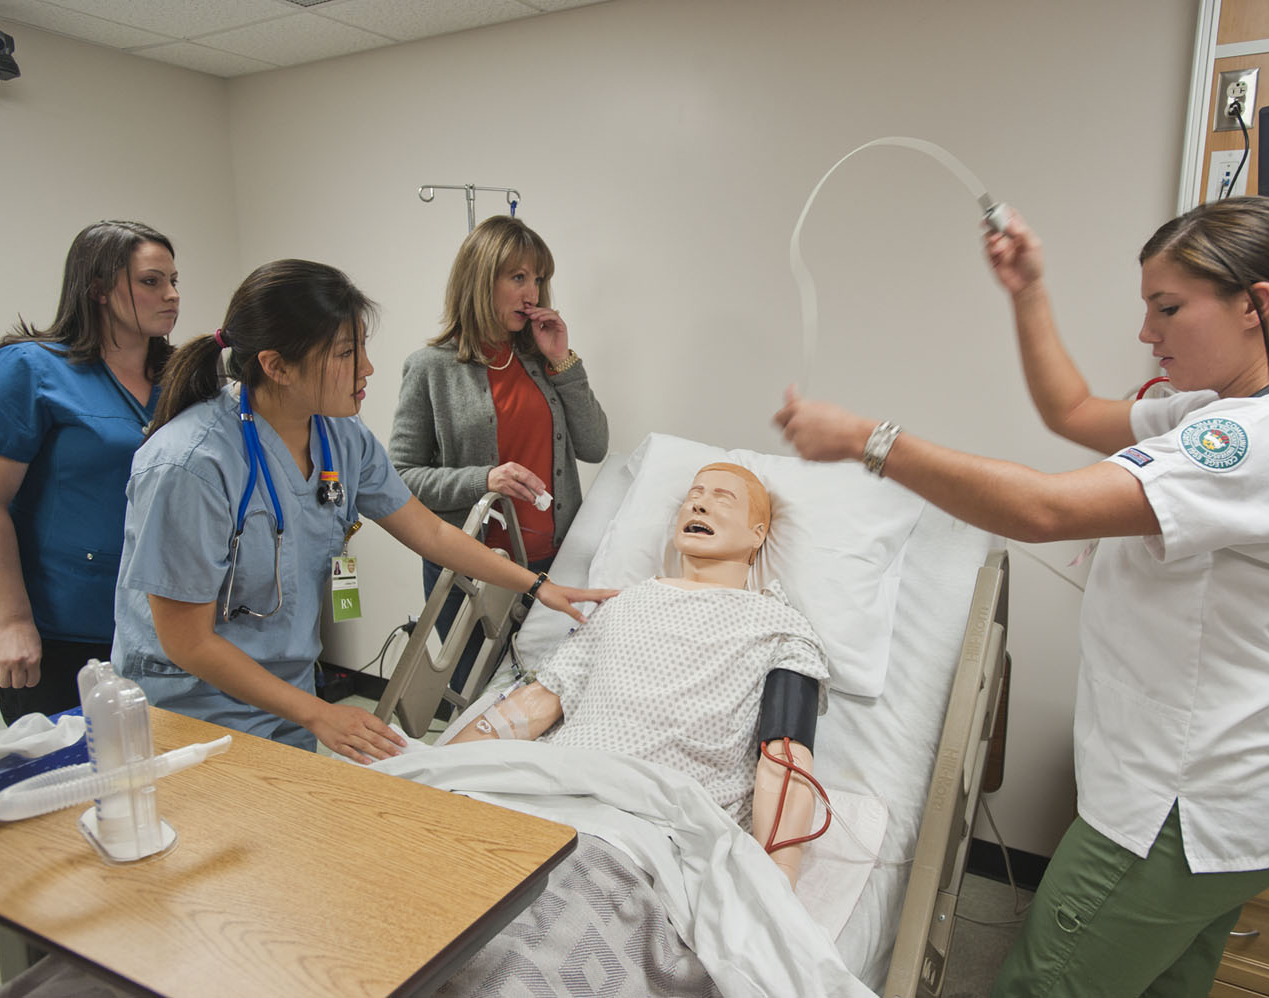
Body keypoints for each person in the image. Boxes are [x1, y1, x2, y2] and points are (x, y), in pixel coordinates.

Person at [774, 196, 1269, 995]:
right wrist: (1028, 290)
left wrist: (873, 442)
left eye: (1169, 308)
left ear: (1256, 305)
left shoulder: (1262, 438)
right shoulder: (1230, 411)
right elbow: (1070, 410)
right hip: (1233, 798)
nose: (1149, 334)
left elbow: (1044, 509)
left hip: (1180, 810)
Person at [112, 259, 612, 764]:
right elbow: (187, 643)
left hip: (283, 700)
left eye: (362, 347)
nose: (367, 368)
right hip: (188, 716)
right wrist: (317, 713)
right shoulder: (191, 465)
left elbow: (432, 533)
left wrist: (535, 584)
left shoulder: (340, 437)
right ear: (276, 366)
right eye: (347, 352)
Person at [446, 463, 830, 885]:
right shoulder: (624, 604)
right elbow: (536, 702)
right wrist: (442, 768)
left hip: (654, 830)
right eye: (694, 494)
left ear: (758, 533)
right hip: (550, 798)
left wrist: (779, 879)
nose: (699, 502)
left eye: (723, 498)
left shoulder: (779, 627)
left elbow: (786, 759)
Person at [0, 220, 179, 724]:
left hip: (159, 623)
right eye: (151, 281)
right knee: (70, 777)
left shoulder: (180, 378)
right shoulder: (28, 370)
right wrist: (12, 621)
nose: (170, 295)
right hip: (56, 628)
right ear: (97, 289)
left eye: (173, 281)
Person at [389, 216, 608, 694]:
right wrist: (482, 479)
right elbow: (400, 477)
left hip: (552, 565)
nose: (533, 294)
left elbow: (595, 446)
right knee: (478, 700)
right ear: (480, 278)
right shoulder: (431, 369)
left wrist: (563, 361)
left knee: (550, 700)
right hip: (471, 571)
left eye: (539, 279)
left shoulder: (545, 361)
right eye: (518, 277)